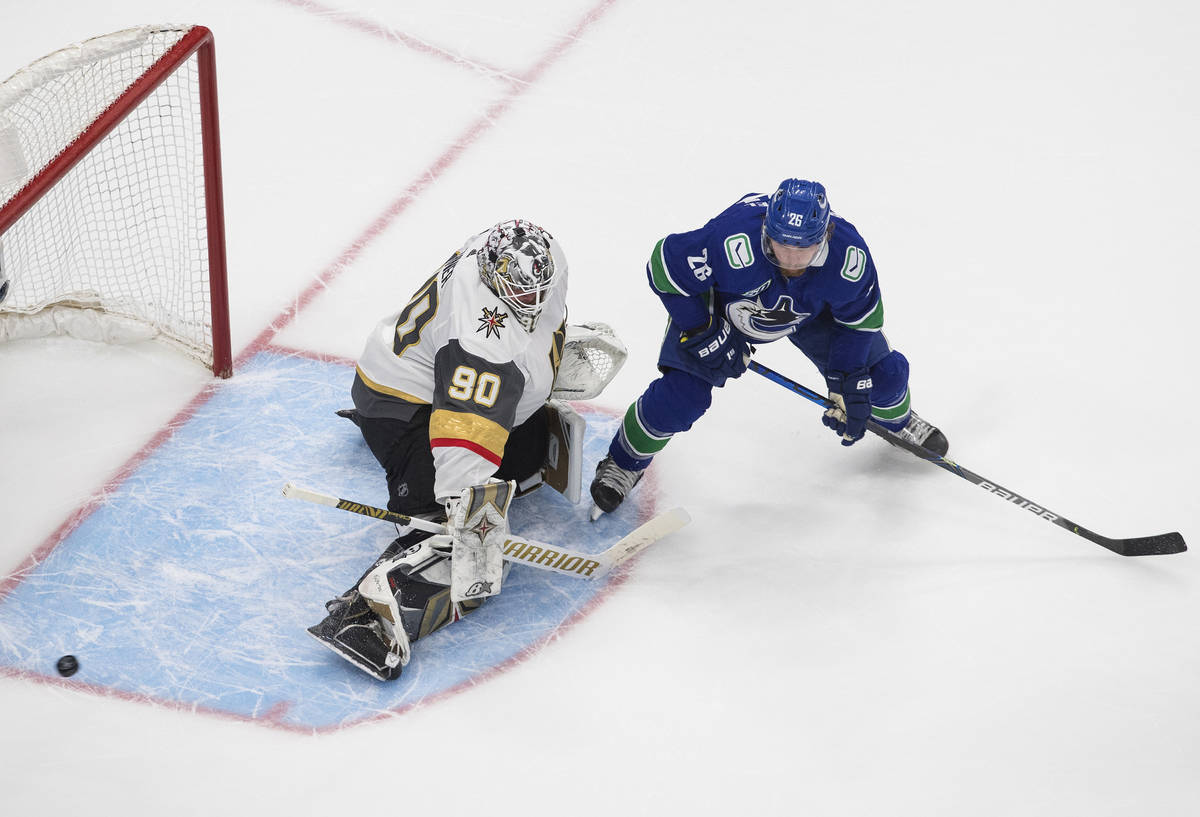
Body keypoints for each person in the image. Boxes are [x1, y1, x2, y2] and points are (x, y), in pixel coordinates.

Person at [589, 179, 948, 518]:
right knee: (680, 399)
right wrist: (702, 328)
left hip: (809, 312)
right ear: (767, 231)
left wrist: (846, 380)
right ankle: (623, 462)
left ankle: (899, 423)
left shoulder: (848, 258)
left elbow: (861, 323)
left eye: (803, 248)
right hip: (723, 308)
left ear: (825, 235)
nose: (791, 260)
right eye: (783, 246)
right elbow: (663, 267)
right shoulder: (731, 239)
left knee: (884, 378)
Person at [309, 219, 569, 681]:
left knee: (524, 461)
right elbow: (464, 436)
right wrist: (467, 516)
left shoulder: (530, 262)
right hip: (397, 403)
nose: (531, 302)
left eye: (537, 293)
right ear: (493, 276)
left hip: (432, 377)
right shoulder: (480, 337)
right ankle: (362, 618)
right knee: (443, 524)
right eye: (520, 294)